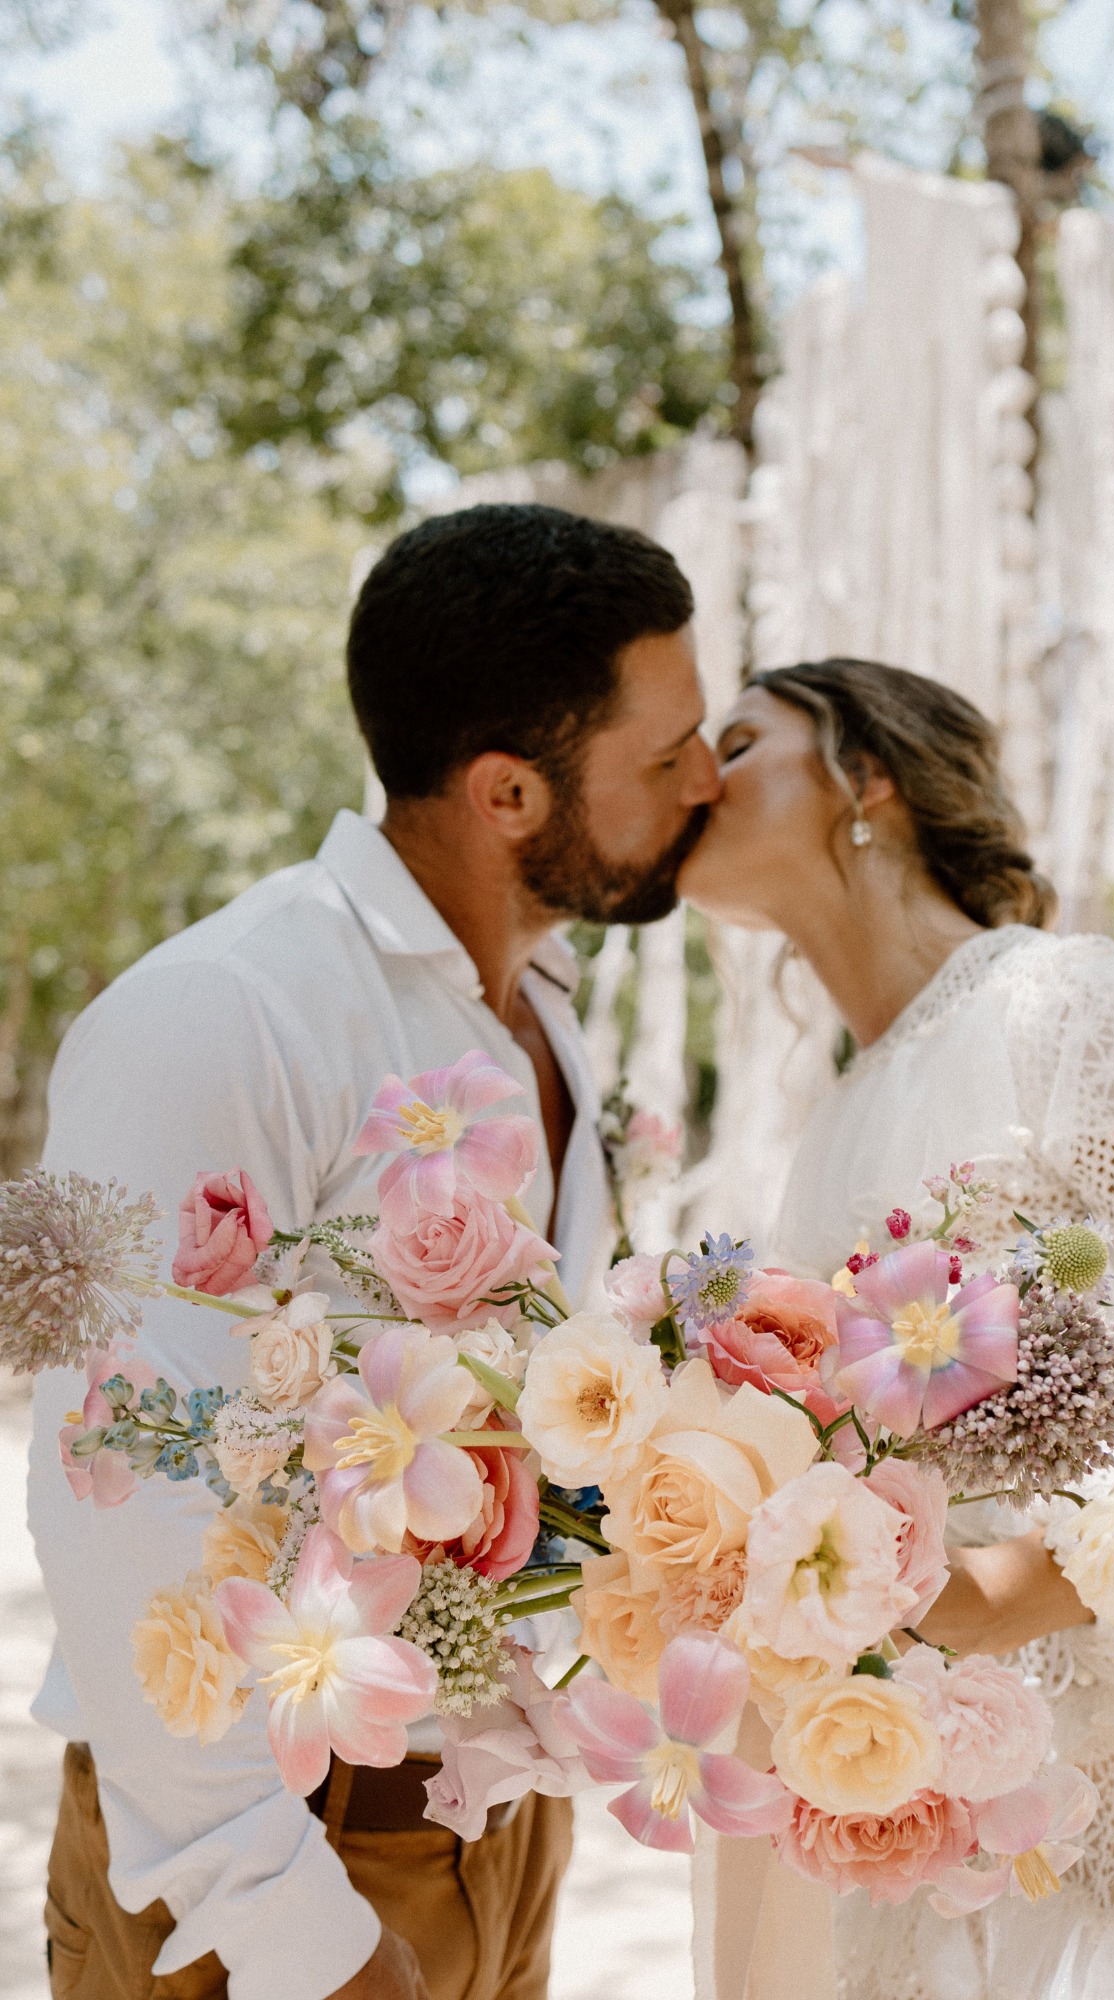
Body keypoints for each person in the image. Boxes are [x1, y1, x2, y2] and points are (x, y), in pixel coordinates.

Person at [29, 502, 721, 2000]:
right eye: (666, 758)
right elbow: (120, 1503)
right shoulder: (225, 1012)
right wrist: (300, 1938)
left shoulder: (544, 1011)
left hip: (488, 1840)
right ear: (507, 792)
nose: (705, 782)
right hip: (265, 1879)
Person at [679, 656, 1114, 2000]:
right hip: (930, 1819)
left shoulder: (1072, 1008)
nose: (697, 772)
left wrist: (1007, 1595)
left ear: (870, 783)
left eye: (738, 741)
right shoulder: (834, 1120)